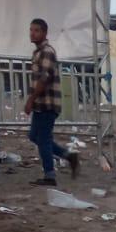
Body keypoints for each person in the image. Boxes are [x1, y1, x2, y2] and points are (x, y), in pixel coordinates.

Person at [24, 18, 78, 186]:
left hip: (47, 103)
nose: (32, 33)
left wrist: (31, 99)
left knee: (43, 138)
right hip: (42, 103)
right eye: (31, 30)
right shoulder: (38, 52)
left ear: (45, 33)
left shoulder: (47, 51)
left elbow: (45, 78)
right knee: (35, 136)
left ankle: (50, 175)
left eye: (36, 30)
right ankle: (68, 156)